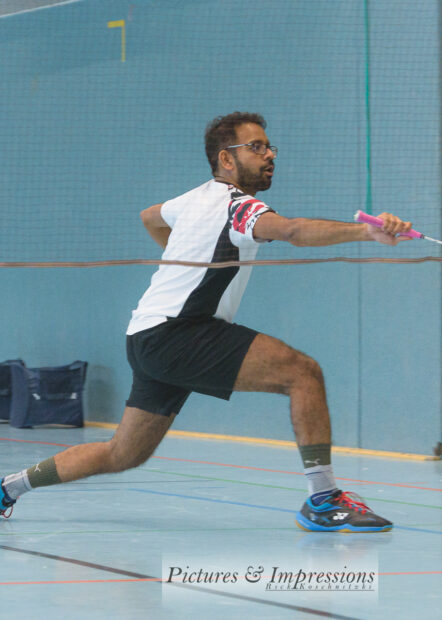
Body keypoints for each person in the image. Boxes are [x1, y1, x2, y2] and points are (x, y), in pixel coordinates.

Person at [1, 112, 412, 532]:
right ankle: (323, 500)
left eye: (269, 146)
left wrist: (180, 257)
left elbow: (150, 216)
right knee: (302, 374)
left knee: (122, 453)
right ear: (226, 159)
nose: (269, 155)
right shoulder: (239, 207)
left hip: (145, 336)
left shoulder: (195, 198)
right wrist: (367, 233)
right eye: (256, 147)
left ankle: (8, 488)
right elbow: (291, 230)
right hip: (180, 332)